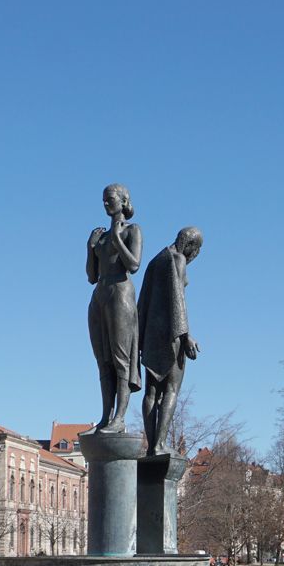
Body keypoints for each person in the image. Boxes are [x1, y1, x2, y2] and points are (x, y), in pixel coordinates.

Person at [138, 226, 203, 455]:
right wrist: (186, 336)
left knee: (151, 392)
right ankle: (159, 445)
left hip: (150, 336)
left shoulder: (156, 261)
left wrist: (140, 338)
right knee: (172, 389)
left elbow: (143, 300)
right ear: (191, 246)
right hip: (171, 335)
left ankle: (151, 447)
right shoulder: (178, 259)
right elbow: (178, 299)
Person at [86, 184, 143, 433]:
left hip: (121, 293)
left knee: (121, 359)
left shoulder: (132, 230)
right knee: (103, 360)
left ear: (123, 201)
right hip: (99, 294)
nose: (106, 204)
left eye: (109, 199)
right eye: (103, 200)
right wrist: (90, 248)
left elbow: (133, 264)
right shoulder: (100, 235)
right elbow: (91, 275)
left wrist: (118, 238)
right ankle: (104, 418)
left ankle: (119, 419)